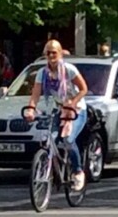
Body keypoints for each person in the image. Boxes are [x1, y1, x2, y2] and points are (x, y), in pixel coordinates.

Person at [22, 39, 89, 191]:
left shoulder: (69, 69)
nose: (51, 55)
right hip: (60, 109)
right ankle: (49, 167)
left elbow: (84, 88)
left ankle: (78, 171)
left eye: (54, 52)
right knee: (49, 137)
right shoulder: (42, 73)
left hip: (77, 110)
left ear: (60, 53)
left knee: (68, 140)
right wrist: (31, 109)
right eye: (48, 53)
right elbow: (36, 93)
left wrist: (73, 102)